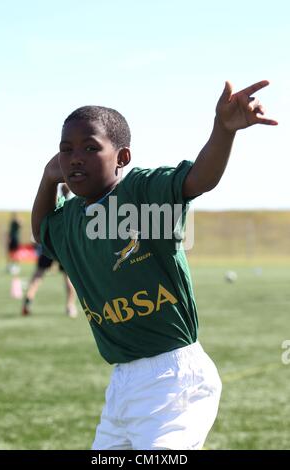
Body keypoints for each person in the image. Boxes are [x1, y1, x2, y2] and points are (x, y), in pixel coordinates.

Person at [31, 80, 277, 450]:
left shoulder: (142, 195)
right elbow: (42, 232)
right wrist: (48, 179)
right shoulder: (71, 220)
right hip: (122, 384)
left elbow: (199, 179)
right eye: (66, 150)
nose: (75, 157)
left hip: (173, 379)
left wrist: (223, 131)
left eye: (89, 147)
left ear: (122, 158)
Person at [22, 184, 77, 317]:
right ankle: (70, 306)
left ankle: (28, 300)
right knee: (69, 278)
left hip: (48, 244)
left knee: (38, 275)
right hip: (64, 247)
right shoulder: (72, 205)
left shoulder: (51, 204)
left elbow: (41, 222)